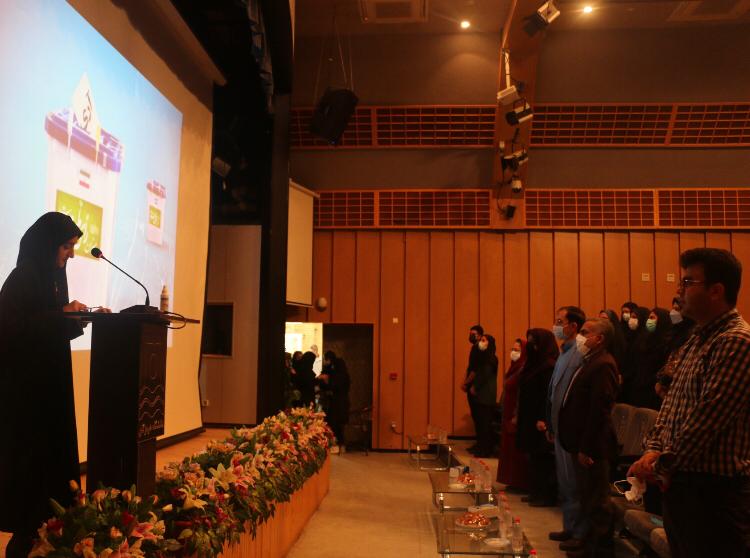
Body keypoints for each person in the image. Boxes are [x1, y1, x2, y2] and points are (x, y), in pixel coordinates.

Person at [629, 248, 750, 558]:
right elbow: (670, 407)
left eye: (687, 282)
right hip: (683, 485)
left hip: (713, 495)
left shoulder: (736, 341)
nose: (678, 291)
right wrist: (653, 449)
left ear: (716, 290)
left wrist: (658, 464)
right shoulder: (697, 339)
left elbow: (707, 419)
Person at [0, 213, 108, 558]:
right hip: (27, 395)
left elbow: (48, 327)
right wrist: (62, 314)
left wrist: (78, 318)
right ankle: (23, 544)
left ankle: (51, 537)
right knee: (32, 475)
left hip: (51, 388)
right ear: (47, 245)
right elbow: (11, 330)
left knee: (54, 468)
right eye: (66, 246)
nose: (72, 254)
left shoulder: (54, 277)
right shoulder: (22, 278)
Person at [558, 318, 619, 557]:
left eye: (585, 332)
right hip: (583, 443)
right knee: (586, 496)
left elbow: (599, 411)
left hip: (594, 446)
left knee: (597, 501)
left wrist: (586, 447)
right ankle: (585, 543)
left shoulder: (603, 364)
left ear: (599, 338)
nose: (580, 337)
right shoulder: (591, 360)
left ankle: (598, 550)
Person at [546, 306, 588, 547]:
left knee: (574, 483)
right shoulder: (564, 351)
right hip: (558, 425)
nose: (556, 326)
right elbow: (554, 389)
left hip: (572, 428)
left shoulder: (580, 351)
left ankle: (579, 533)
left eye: (560, 321)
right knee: (565, 482)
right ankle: (569, 526)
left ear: (573, 326)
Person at [516, 328, 558, 506]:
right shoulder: (532, 363)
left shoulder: (548, 366)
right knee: (532, 456)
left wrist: (543, 418)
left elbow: (548, 396)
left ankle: (545, 495)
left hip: (540, 418)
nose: (531, 345)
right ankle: (534, 491)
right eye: (529, 340)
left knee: (542, 458)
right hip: (528, 415)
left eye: (534, 341)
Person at [624, 307, 671, 410]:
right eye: (649, 318)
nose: (649, 321)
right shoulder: (643, 340)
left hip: (654, 393)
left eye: (652, 318)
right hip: (638, 389)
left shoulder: (667, 345)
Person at [497, 337, 528, 484]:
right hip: (508, 411)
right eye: (513, 349)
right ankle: (509, 479)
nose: (513, 352)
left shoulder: (523, 367)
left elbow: (521, 393)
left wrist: (516, 414)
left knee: (514, 450)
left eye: (517, 350)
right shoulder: (514, 366)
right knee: (507, 448)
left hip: (515, 413)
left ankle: (517, 480)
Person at [469, 334, 499, 458]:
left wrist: (475, 387)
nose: (481, 342)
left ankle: (485, 450)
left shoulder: (491, 358)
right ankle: (480, 447)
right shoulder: (484, 356)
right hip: (481, 395)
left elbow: (485, 374)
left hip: (486, 395)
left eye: (483, 340)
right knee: (480, 423)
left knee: (485, 424)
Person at [319, 350, 351, 452]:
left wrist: (327, 380)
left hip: (337, 402)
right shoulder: (342, 374)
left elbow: (334, 386)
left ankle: (337, 444)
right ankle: (339, 444)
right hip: (338, 402)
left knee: (335, 423)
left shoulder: (338, 375)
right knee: (336, 424)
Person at [461, 324, 484, 453]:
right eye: (470, 334)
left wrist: (466, 383)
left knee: (479, 417)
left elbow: (475, 370)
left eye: (473, 334)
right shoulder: (474, 348)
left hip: (475, 388)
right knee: (476, 416)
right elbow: (470, 367)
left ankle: (481, 444)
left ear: (480, 336)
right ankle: (478, 443)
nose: (471, 336)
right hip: (471, 385)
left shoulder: (478, 349)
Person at [598, 309, 627, 377]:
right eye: (600, 318)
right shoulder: (600, 334)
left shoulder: (617, 336)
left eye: (604, 318)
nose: (601, 321)